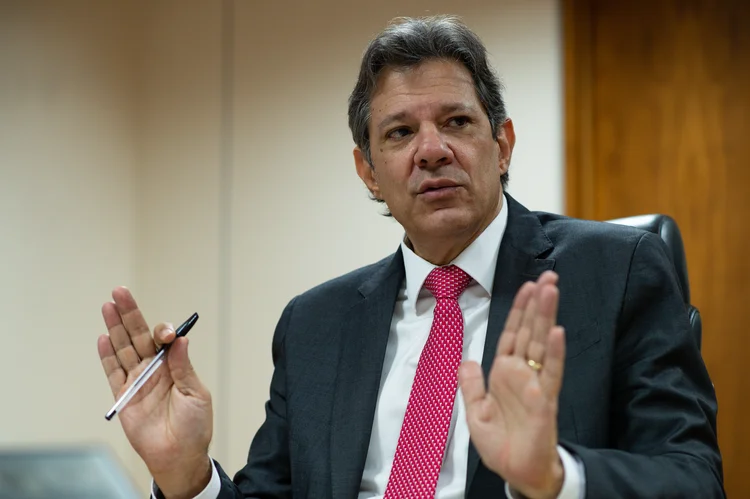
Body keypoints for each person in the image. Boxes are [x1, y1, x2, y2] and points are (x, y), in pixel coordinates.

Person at [97, 15, 724, 499]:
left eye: (456, 121)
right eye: (400, 133)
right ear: (368, 171)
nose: (432, 150)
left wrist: (554, 477)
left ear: (502, 144)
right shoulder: (315, 324)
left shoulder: (617, 272)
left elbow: (693, 479)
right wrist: (187, 479)